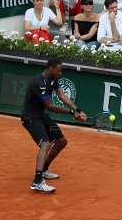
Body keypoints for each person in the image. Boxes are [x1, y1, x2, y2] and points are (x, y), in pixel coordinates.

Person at [21, 58, 87, 192]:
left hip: (41, 116)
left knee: (61, 141)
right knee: (45, 144)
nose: (60, 73)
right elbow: (50, 105)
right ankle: (37, 180)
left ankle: (44, 169)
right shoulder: (38, 83)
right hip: (30, 118)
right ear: (51, 69)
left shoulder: (53, 79)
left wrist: (78, 110)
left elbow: (62, 96)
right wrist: (71, 112)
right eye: (59, 71)